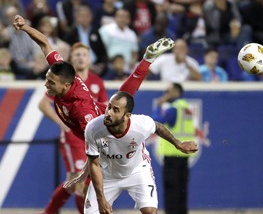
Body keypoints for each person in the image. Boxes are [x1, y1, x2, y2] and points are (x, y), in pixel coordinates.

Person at [13, 14, 175, 213]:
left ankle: (147, 60)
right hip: (92, 121)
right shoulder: (61, 71)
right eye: (47, 79)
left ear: (66, 85)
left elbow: (97, 143)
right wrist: (25, 26)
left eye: (50, 83)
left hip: (102, 132)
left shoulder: (82, 112)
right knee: (76, 181)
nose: (46, 84)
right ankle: (146, 60)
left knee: (81, 183)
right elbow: (45, 43)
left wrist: (89, 173)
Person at [65, 91, 198, 214]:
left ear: (127, 116)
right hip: (107, 175)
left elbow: (158, 127)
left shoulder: (140, 124)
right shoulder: (93, 128)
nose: (109, 113)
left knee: (150, 211)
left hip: (137, 171)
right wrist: (101, 199)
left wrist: (178, 144)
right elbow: (94, 163)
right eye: (109, 107)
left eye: (116, 110)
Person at [37, 42, 108, 214]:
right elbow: (43, 104)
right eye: (77, 55)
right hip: (73, 138)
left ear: (90, 59)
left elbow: (105, 107)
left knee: (72, 182)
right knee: (77, 181)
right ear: (71, 59)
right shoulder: (63, 80)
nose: (81, 58)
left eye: (84, 54)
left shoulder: (97, 81)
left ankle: (49, 211)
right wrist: (64, 125)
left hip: (89, 136)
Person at [151, 83, 197, 214]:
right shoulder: (186, 108)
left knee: (171, 189)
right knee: (182, 188)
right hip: (184, 156)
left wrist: (158, 106)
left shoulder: (174, 108)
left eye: (168, 91)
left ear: (176, 92)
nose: (166, 94)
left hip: (173, 155)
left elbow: (157, 122)